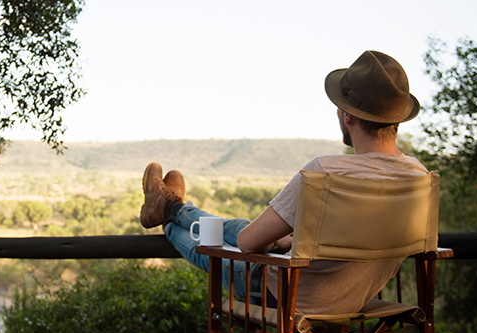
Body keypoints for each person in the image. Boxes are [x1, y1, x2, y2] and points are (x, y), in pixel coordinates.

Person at [139, 50, 430, 315]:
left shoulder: (325, 172)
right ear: (397, 118)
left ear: (348, 115)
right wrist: (293, 240)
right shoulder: (420, 179)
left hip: (287, 294)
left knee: (210, 241)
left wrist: (277, 243)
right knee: (241, 224)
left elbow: (247, 243)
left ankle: (166, 213)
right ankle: (174, 207)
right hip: (353, 296)